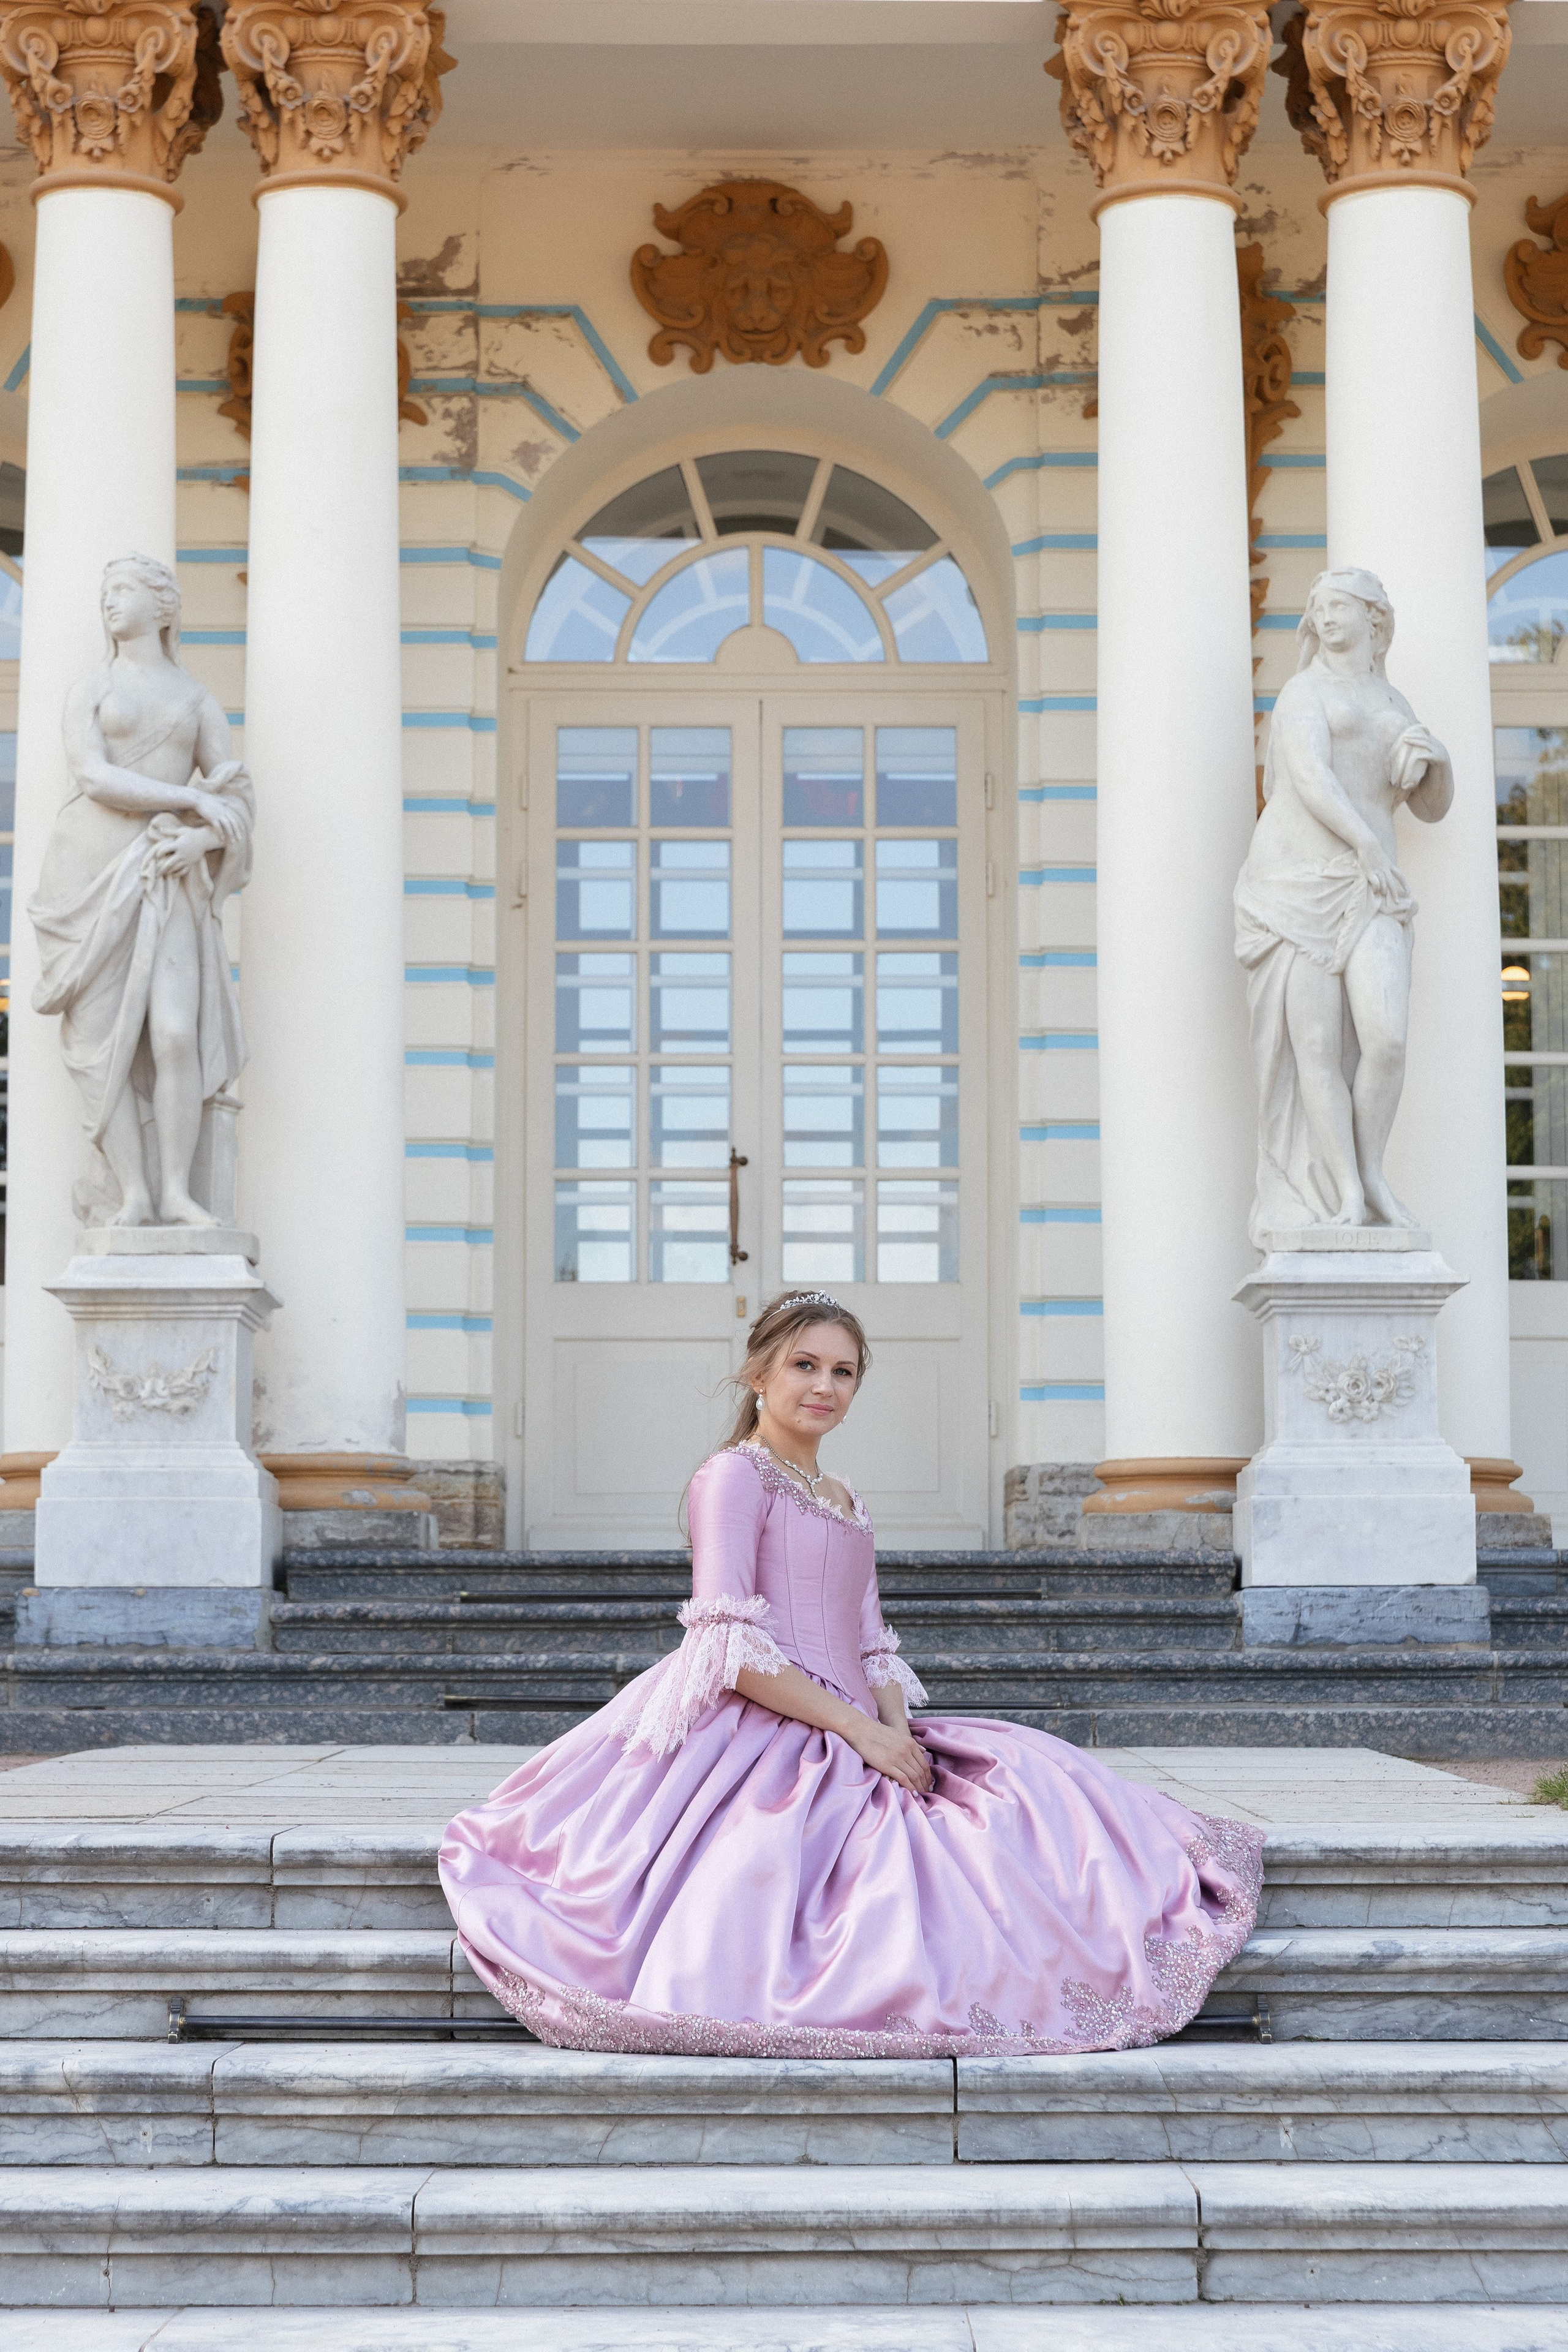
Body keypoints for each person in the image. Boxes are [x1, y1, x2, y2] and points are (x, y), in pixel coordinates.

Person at [440, 1291, 1263, 2057]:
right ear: (759, 1373)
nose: (824, 1386)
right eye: (805, 1365)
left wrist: (897, 1735)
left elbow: (871, 1644)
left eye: (842, 1372)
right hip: (763, 1718)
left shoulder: (843, 1496)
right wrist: (858, 1732)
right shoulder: (731, 1476)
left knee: (1035, 1786)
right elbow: (724, 1644)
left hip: (858, 1718)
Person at [29, 552, 254, 1227]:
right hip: (87, 874)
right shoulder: (89, 688)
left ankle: (178, 1191)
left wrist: (202, 840)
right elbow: (92, 776)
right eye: (106, 591)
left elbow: (236, 797)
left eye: (123, 590)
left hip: (167, 873)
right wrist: (187, 798)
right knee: (106, 1049)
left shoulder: (193, 699)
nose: (110, 602)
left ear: (164, 608)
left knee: (177, 1034)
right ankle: (133, 1193)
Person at [1234, 566, 1453, 1243]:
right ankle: (1348, 1196)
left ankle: (1373, 1171)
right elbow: (1308, 776)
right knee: (1317, 1051)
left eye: (1337, 607)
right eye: (1317, 608)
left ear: (1373, 618)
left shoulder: (1395, 702)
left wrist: (1437, 760)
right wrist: (1364, 845)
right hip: (1298, 885)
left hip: (1372, 884)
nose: (1324, 618)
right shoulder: (1305, 691)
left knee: (1385, 1038)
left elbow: (1430, 807)